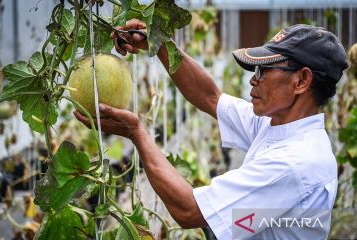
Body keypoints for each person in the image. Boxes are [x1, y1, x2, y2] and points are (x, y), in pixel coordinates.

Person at [74, 23, 348, 240]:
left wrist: (136, 133)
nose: (253, 79)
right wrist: (158, 45)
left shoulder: (295, 163)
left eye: (263, 71)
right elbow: (211, 97)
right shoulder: (276, 125)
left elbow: (190, 210)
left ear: (301, 80)